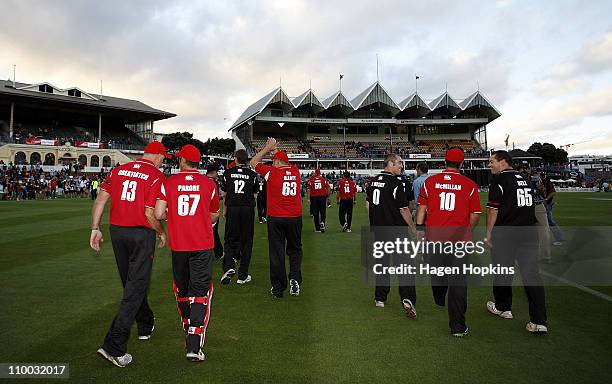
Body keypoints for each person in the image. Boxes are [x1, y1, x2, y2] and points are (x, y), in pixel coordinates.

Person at [89, 141, 170, 367]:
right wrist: (161, 232)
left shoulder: (118, 170)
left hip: (117, 232)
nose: (163, 161)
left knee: (132, 283)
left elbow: (101, 199)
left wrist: (95, 228)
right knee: (135, 286)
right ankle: (114, 345)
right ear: (158, 156)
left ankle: (145, 322)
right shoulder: (155, 175)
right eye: (163, 158)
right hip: (141, 233)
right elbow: (150, 213)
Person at [150, 144, 219, 362]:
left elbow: (159, 213)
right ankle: (193, 344)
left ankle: (187, 325)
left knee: (182, 291)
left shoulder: (168, 182)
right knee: (200, 293)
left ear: (182, 161)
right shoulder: (210, 184)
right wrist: (198, 219)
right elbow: (215, 214)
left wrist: (177, 217)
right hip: (202, 245)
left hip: (179, 246)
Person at [415, 148, 481, 337]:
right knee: (458, 283)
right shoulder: (469, 184)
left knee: (437, 272)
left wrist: (419, 230)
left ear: (444, 161)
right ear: (462, 163)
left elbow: (422, 208)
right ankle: (458, 327)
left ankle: (439, 296)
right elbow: (475, 214)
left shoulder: (430, 182)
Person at [485, 150, 548, 334]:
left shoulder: (499, 181)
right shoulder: (525, 179)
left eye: (492, 162)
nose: (490, 165)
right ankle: (539, 320)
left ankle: (504, 307)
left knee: (503, 270)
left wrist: (488, 233)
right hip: (528, 232)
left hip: (506, 233)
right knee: (532, 275)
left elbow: (492, 211)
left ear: (503, 162)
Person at [250, 138, 303, 298]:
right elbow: (283, 161)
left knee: (277, 252)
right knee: (295, 250)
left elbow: (253, 162)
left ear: (277, 162)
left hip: (276, 218)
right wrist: (275, 152)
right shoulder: (295, 171)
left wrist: (267, 149)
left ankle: (278, 288)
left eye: (274, 161)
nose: (272, 163)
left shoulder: (270, 172)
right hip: (294, 217)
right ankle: (294, 278)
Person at [366, 154, 417, 318]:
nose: (401, 166)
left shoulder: (373, 181)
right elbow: (404, 209)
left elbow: (368, 205)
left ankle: (380, 298)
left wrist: (377, 218)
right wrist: (413, 228)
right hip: (396, 231)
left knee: (382, 264)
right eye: (399, 164)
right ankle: (407, 297)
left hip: (379, 230)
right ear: (389, 164)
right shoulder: (396, 183)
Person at [220, 149, 258, 285]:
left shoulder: (228, 173)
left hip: (233, 209)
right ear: (247, 159)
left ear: (235, 159)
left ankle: (229, 265)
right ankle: (243, 275)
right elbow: (255, 195)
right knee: (247, 242)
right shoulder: (253, 174)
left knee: (230, 238)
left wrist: (225, 209)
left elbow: (223, 194)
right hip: (247, 210)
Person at [206, 164, 224, 259]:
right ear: (213, 172)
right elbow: (215, 198)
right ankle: (219, 252)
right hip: (211, 212)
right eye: (216, 171)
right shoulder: (213, 183)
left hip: (202, 211)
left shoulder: (203, 181)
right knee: (213, 233)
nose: (217, 173)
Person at [542, 174, 564, 246]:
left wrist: (546, 199)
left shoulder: (547, 182)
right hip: (543, 204)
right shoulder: (543, 181)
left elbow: (553, 192)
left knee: (550, 221)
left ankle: (559, 238)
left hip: (547, 204)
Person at [307, 168, 330, 233]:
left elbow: (308, 189)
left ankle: (317, 228)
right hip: (322, 197)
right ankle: (322, 222)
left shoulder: (311, 180)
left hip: (314, 198)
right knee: (323, 212)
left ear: (315, 173)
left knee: (315, 213)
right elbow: (328, 188)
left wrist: (308, 198)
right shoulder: (323, 180)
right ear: (319, 173)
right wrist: (328, 196)